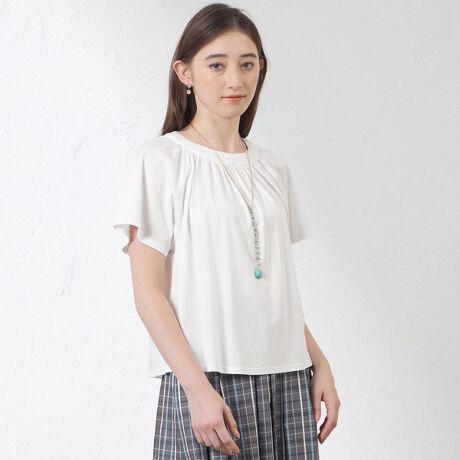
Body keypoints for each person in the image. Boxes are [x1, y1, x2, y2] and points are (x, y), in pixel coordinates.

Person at [113, 3, 340, 458]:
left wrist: (319, 362)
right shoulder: (160, 160)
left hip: (288, 380)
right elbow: (148, 293)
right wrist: (196, 388)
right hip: (209, 379)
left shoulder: (273, 168)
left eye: (247, 64)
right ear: (185, 72)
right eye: (217, 65)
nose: (235, 80)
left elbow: (273, 288)